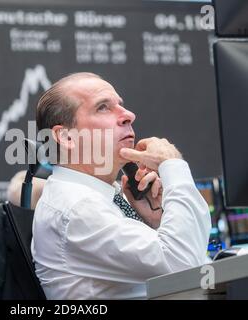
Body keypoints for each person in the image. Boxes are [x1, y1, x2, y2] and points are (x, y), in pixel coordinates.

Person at [31, 72, 211, 299]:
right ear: (66, 137)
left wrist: (156, 225)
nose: (129, 115)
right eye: (103, 107)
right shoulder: (78, 208)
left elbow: (194, 268)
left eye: (121, 105)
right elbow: (184, 270)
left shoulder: (104, 197)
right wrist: (172, 164)